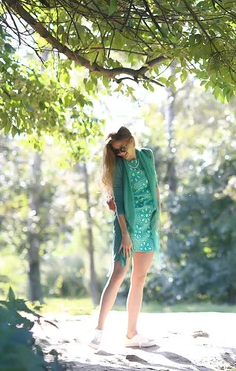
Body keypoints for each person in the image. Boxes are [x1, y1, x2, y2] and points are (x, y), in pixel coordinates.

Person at [89, 126, 162, 350]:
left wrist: (158, 217)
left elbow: (155, 186)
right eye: (116, 150)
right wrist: (125, 236)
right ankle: (98, 331)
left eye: (122, 148)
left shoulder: (147, 155)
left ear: (131, 140)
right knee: (118, 275)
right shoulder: (119, 166)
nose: (120, 153)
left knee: (139, 279)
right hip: (127, 227)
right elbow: (119, 202)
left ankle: (131, 334)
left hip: (148, 226)